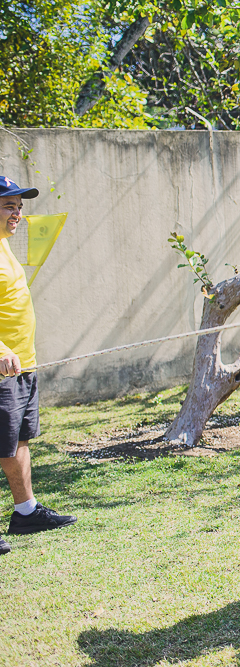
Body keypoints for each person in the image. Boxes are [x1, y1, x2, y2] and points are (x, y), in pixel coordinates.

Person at [0, 176, 76, 557]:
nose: (17, 213)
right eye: (8, 206)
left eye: (19, 207)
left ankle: (26, 511)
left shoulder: (4, 245)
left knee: (18, 440)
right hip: (2, 366)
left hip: (22, 366)